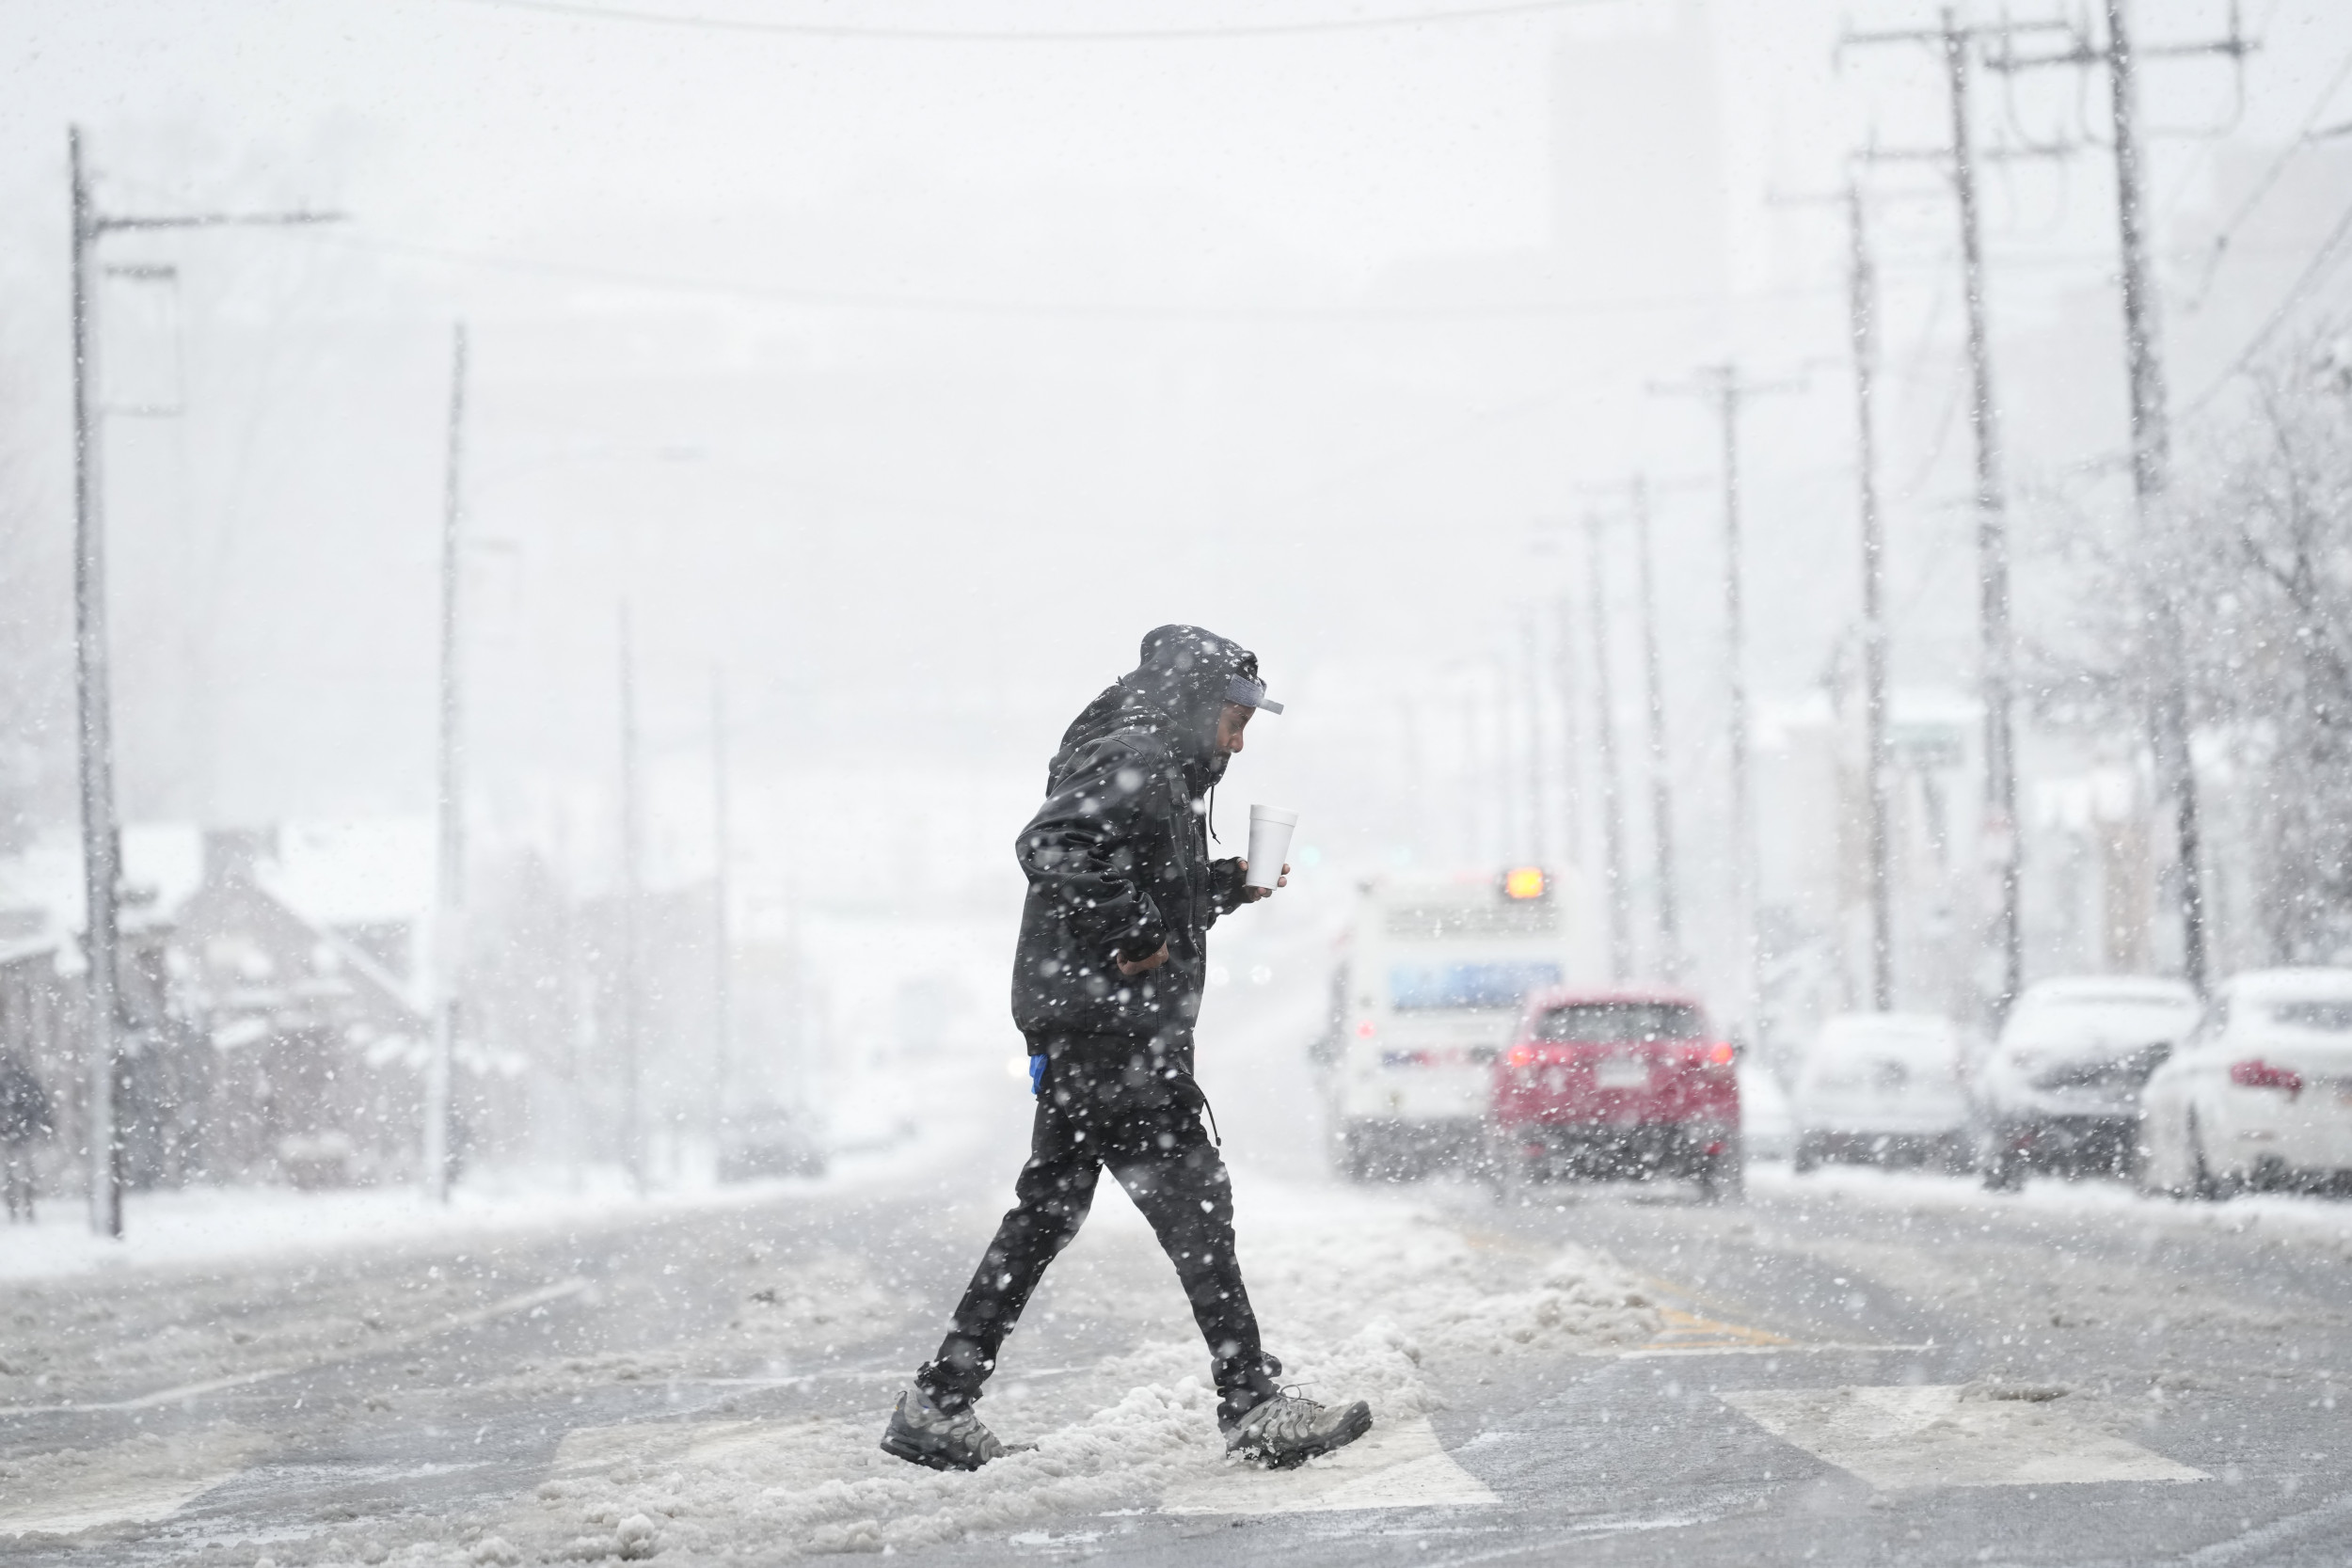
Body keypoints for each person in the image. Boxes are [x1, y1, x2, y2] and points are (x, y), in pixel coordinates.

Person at [881, 625, 1373, 1473]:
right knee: (1195, 1206)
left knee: (1048, 1214)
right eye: (1233, 714)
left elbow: (1122, 873)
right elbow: (1054, 845)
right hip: (1112, 1034)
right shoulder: (1134, 755)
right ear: (1192, 703)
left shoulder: (1155, 766)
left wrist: (1221, 885)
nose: (1240, 736)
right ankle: (1250, 1401)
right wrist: (1132, 929)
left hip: (1095, 1026)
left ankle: (941, 1400)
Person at [0, 1053, 55, 1224]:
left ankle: (16, 1211)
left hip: (12, 1135)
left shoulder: (10, 1083)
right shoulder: (28, 1081)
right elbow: (40, 1106)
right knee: (25, 1173)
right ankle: (25, 1210)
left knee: (13, 1174)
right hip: (23, 1134)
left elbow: (38, 1106)